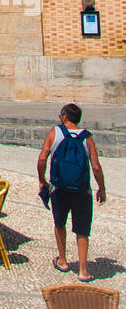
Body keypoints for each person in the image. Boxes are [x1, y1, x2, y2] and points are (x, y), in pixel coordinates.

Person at [37, 102, 106, 282]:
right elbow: (96, 167)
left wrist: (42, 180)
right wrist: (102, 188)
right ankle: (83, 270)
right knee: (82, 229)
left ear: (65, 116)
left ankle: (63, 260)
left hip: (59, 188)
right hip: (82, 190)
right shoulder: (86, 137)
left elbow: (43, 157)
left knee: (59, 223)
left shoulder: (55, 132)